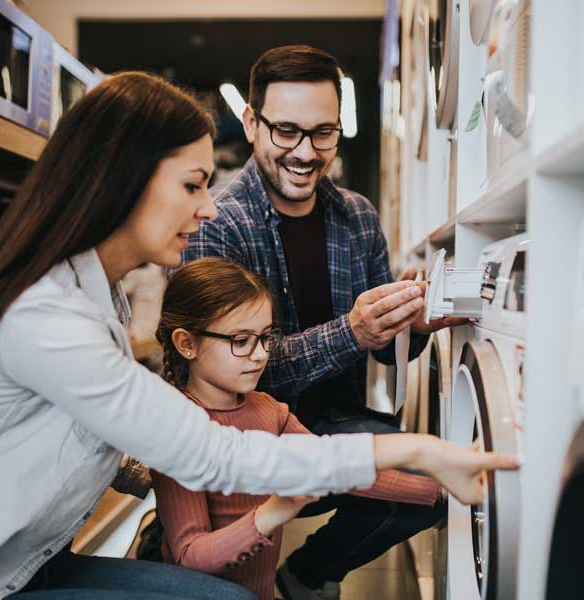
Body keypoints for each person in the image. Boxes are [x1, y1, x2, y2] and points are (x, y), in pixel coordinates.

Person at [0, 72, 516, 600]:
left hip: (26, 562)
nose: (206, 207)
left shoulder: (97, 291)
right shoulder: (48, 317)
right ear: (123, 180)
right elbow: (216, 453)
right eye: (193, 185)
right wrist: (425, 451)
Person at [180, 46, 465, 598]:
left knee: (433, 485)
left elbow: (382, 353)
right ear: (251, 123)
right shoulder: (217, 224)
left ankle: (306, 576)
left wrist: (411, 322)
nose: (306, 153)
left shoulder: (356, 215)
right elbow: (228, 376)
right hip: (245, 440)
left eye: (323, 134)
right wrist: (352, 330)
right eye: (286, 131)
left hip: (331, 423)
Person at [149, 257, 469, 600]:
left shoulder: (269, 410)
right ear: (187, 344)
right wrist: (271, 514)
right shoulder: (175, 428)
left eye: (266, 337)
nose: (259, 355)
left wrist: (439, 490)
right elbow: (191, 557)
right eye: (241, 341)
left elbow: (344, 469)